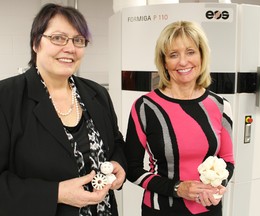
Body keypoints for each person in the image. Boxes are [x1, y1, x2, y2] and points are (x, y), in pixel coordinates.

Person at [0, 3, 126, 216]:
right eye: (58, 38)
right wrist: (55, 193)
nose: (70, 48)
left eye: (78, 40)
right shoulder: (6, 97)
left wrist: (118, 165)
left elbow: (116, 142)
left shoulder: (97, 94)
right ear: (36, 42)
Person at [124, 21, 234, 216]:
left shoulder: (221, 106)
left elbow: (227, 160)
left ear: (202, 55)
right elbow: (132, 169)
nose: (183, 62)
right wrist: (177, 188)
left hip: (209, 209)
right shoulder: (145, 107)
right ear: (164, 62)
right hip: (160, 210)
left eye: (190, 52)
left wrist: (218, 185)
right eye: (173, 55)